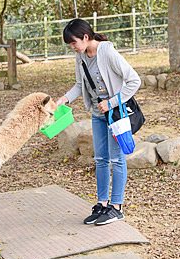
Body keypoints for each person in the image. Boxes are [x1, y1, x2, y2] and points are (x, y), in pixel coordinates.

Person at [55, 18, 141, 226]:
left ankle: (117, 207)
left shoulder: (108, 53)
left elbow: (134, 80)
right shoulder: (81, 57)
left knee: (117, 158)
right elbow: (79, 84)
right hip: (97, 113)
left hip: (116, 114)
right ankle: (102, 204)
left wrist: (111, 103)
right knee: (100, 159)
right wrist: (63, 100)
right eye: (70, 45)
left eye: (74, 43)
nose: (73, 48)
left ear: (86, 37)